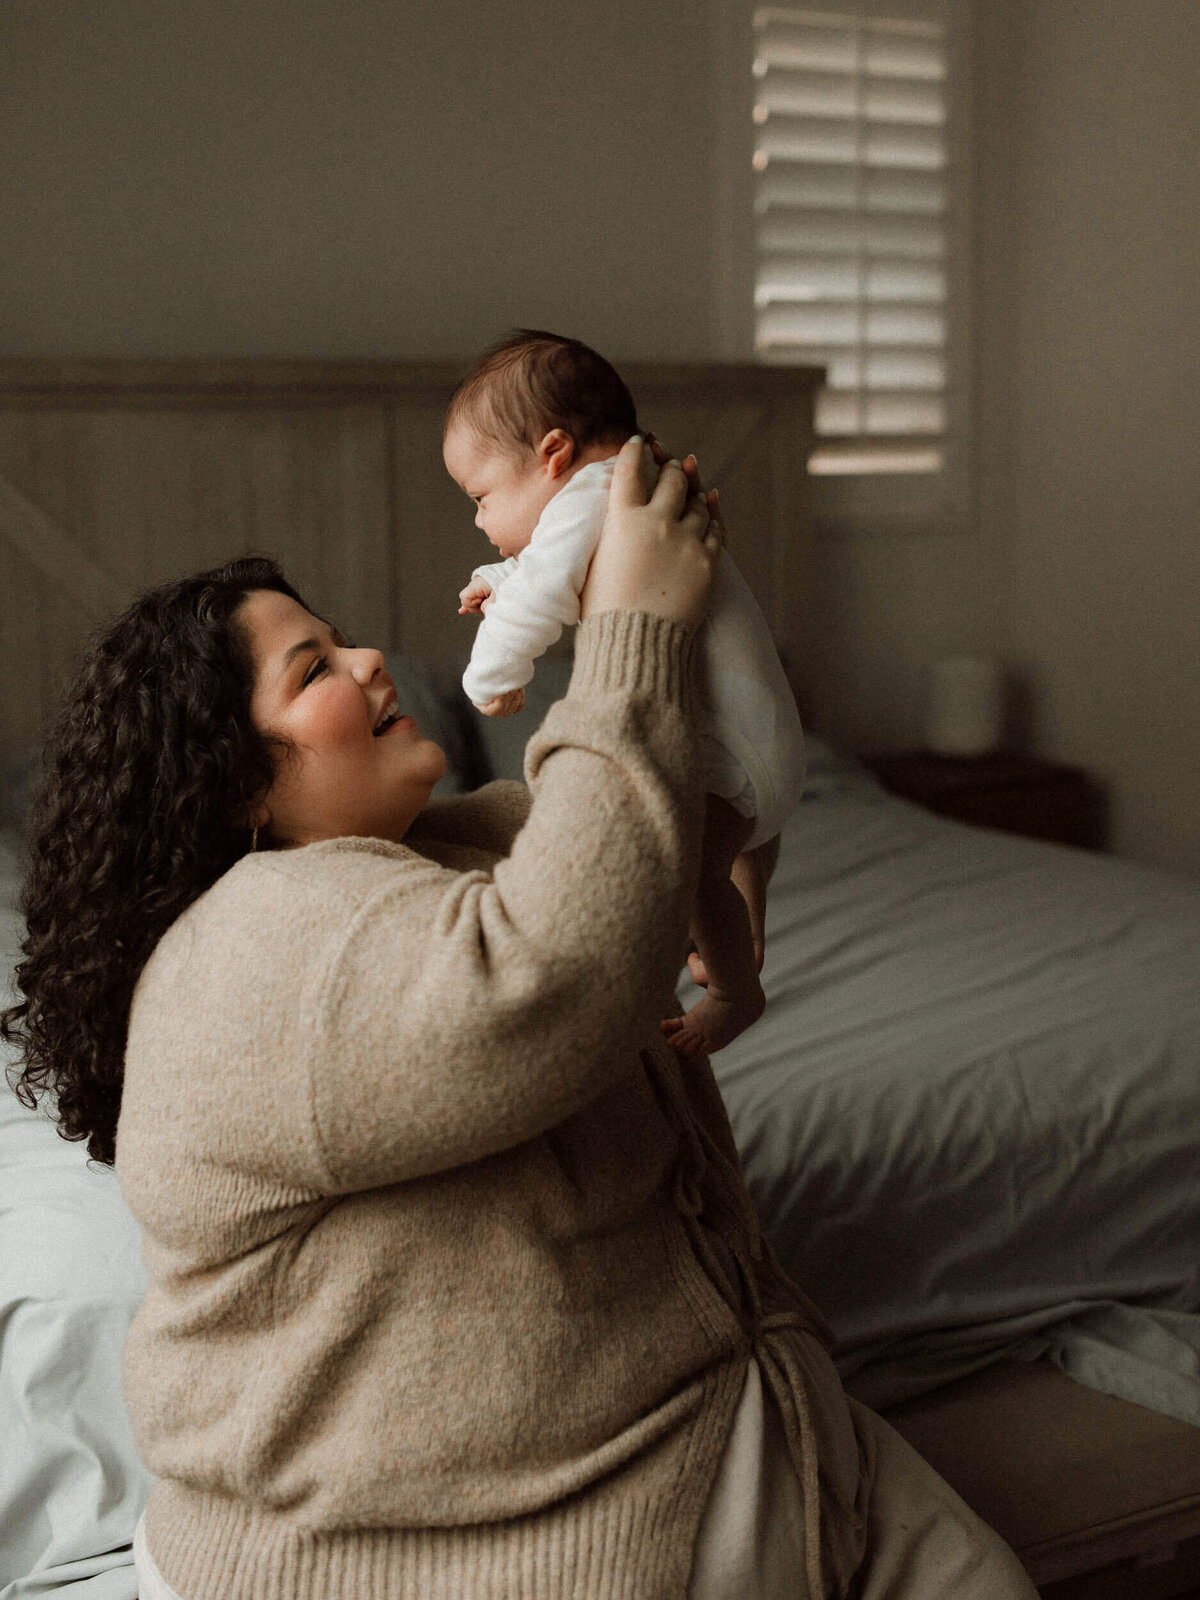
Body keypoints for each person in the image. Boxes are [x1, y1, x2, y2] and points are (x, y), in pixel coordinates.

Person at [2, 441, 1037, 1600]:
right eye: (315, 669)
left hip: (734, 1430)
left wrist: (679, 605)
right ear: (233, 783)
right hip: (460, 1540)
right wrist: (630, 633)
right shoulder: (246, 951)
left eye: (342, 638)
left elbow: (638, 814)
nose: (368, 658)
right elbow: (562, 975)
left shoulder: (451, 846)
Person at [445, 329, 807, 1058]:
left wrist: (493, 675)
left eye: (481, 497)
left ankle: (734, 993)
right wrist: (496, 581)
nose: (479, 519)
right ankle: (741, 910)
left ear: (552, 454)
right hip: (764, 738)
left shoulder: (592, 500)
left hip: (731, 756)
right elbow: (555, 568)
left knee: (693, 871)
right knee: (729, 853)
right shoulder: (624, 491)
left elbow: (546, 590)